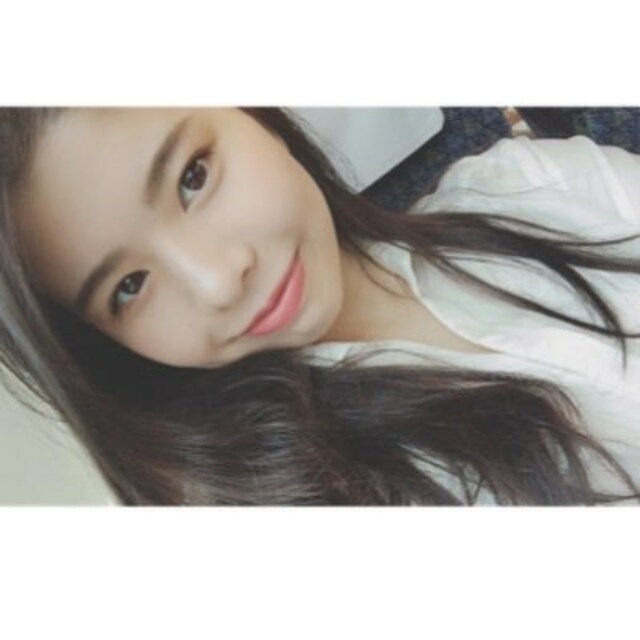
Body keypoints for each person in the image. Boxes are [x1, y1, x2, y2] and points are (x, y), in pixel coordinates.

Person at [2, 107, 640, 505]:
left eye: (193, 177)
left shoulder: (534, 183)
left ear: (251, 113)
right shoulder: (301, 500)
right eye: (129, 286)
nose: (217, 282)